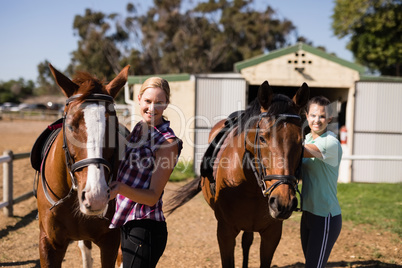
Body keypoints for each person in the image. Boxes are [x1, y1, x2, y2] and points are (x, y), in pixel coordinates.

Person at [109, 77, 182, 268]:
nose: (152, 108)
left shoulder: (167, 143)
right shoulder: (140, 128)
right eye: (148, 101)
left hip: (145, 228)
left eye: (159, 102)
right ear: (139, 99)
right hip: (128, 222)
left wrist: (120, 188)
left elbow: (152, 197)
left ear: (166, 104)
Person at [300, 96, 343, 268]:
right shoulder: (308, 139)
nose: (317, 120)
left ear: (329, 119)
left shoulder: (330, 142)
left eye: (322, 116)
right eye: (313, 115)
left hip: (325, 217)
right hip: (308, 214)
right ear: (306, 116)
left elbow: (296, 151)